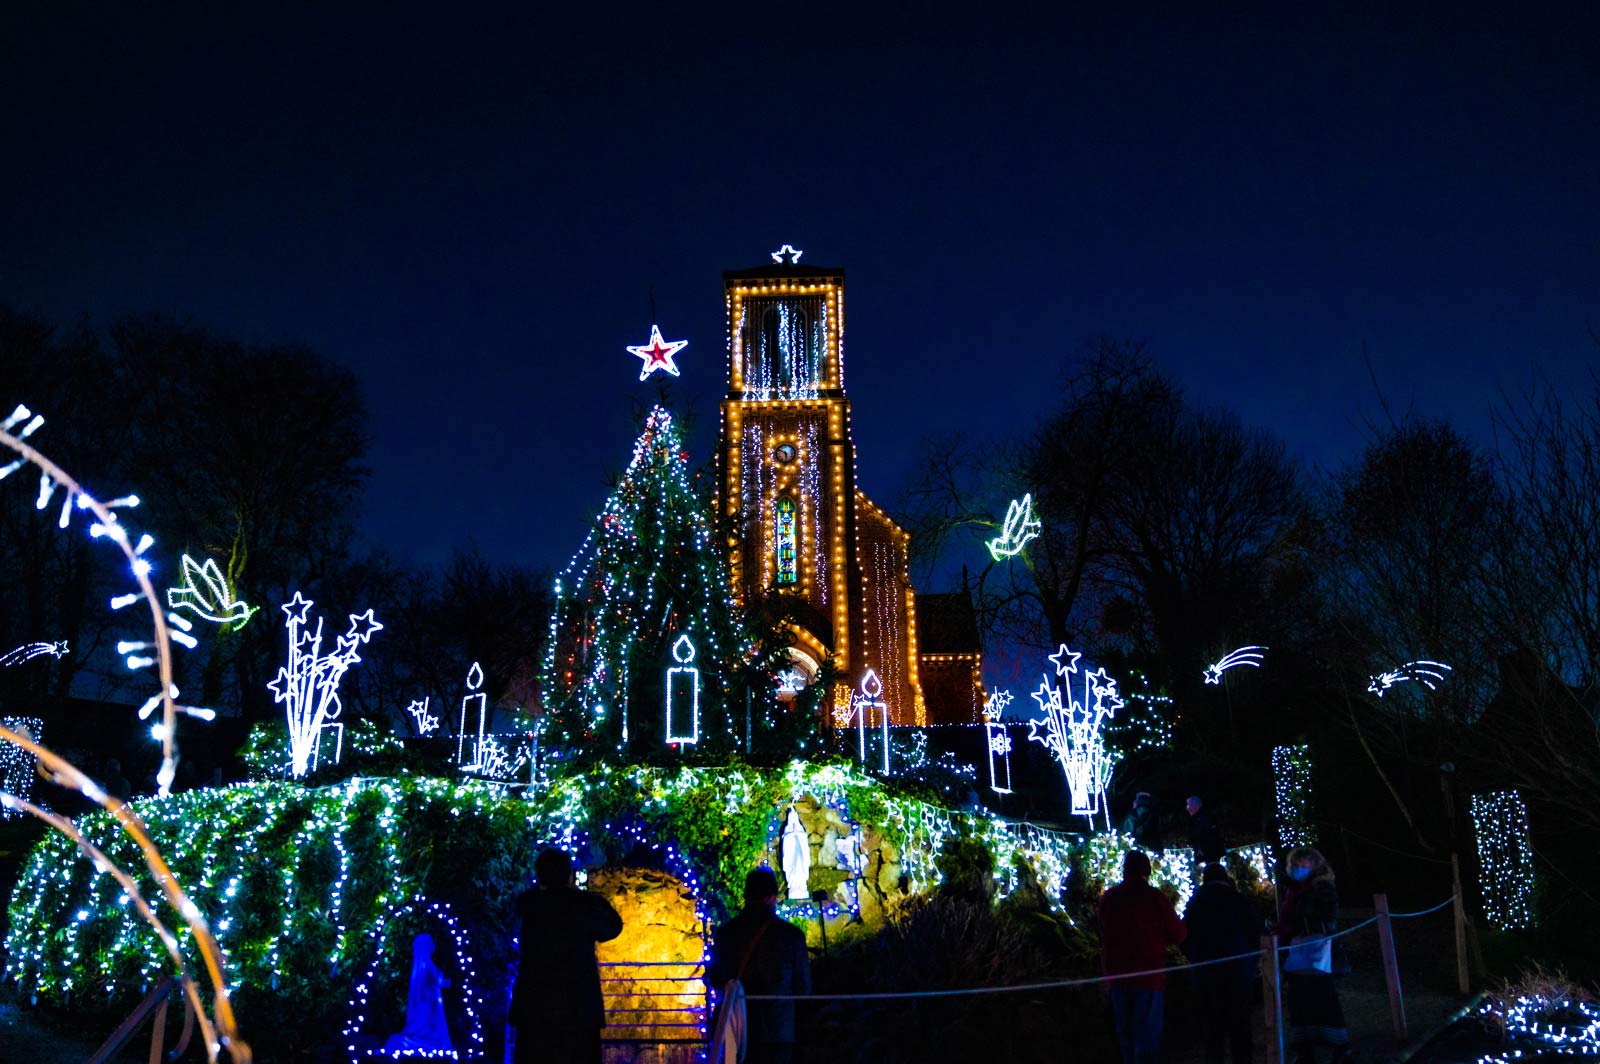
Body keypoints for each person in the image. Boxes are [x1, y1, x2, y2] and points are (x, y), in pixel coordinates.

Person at [508, 848, 623, 1064]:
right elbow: (612, 928)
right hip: (578, 1004)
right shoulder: (584, 904)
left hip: (536, 1004)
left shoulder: (528, 904)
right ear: (568, 872)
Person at [706, 867, 811, 1064]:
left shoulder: (726, 933)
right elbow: (803, 988)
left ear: (746, 896)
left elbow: (717, 978)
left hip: (737, 1029)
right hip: (778, 1030)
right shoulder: (791, 935)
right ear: (772, 897)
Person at [1099, 850, 1186, 1064]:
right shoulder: (1154, 897)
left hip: (1117, 975)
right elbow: (1179, 933)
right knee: (1146, 1037)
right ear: (1146, 871)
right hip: (1148, 975)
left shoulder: (1109, 898)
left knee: (1125, 1035)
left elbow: (1102, 931)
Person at [1183, 864, 1259, 1064]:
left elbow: (1184, 935)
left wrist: (1194, 958)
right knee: (1240, 1027)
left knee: (1212, 1029)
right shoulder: (1238, 899)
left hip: (1206, 973)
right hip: (1238, 971)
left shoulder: (1196, 902)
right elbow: (1255, 931)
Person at [1278, 847, 1349, 1063]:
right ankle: (1305, 1047)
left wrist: (1295, 922)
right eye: (1296, 865)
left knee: (1323, 997)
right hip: (1298, 950)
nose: (1299, 868)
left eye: (1303, 864)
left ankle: (1338, 1047)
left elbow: (1319, 915)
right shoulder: (1293, 889)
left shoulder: (1321, 887)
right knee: (1299, 1000)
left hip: (1317, 950)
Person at [1187, 796, 1224, 864]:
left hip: (1209, 855)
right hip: (1206, 855)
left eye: (1189, 805)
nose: (1187, 808)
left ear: (1195, 806)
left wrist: (1202, 849)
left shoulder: (1204, 819)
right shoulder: (1199, 819)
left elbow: (1210, 836)